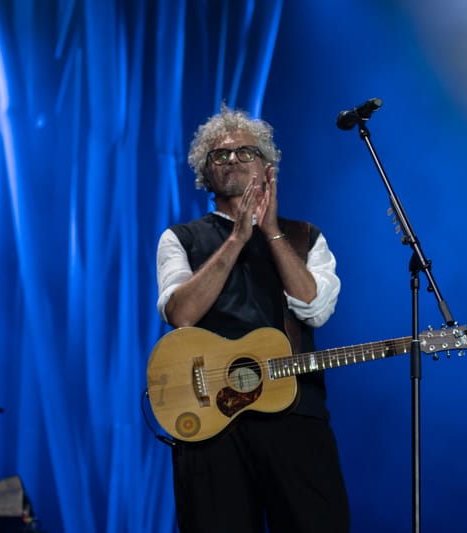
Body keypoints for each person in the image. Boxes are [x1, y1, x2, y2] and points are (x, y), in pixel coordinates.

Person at [155, 105, 350, 533]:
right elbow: (181, 313)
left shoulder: (305, 238)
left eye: (245, 152)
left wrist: (270, 232)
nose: (232, 160)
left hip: (294, 415)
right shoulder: (180, 239)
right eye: (219, 156)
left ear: (267, 167)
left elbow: (314, 309)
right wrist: (238, 238)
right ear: (204, 173)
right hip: (210, 422)